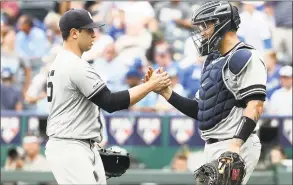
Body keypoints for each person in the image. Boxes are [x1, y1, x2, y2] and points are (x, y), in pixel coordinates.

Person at [144, 2, 267, 184]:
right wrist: (166, 92)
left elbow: (255, 105)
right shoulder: (212, 60)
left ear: (222, 24)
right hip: (214, 145)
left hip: (235, 145)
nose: (202, 32)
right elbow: (200, 110)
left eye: (206, 25)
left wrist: (236, 144)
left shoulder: (246, 57)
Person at [44, 8, 171, 185]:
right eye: (89, 30)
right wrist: (150, 85)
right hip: (70, 146)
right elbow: (110, 102)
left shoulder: (62, 61)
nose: (94, 35)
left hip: (76, 143)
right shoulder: (74, 65)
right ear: (74, 33)